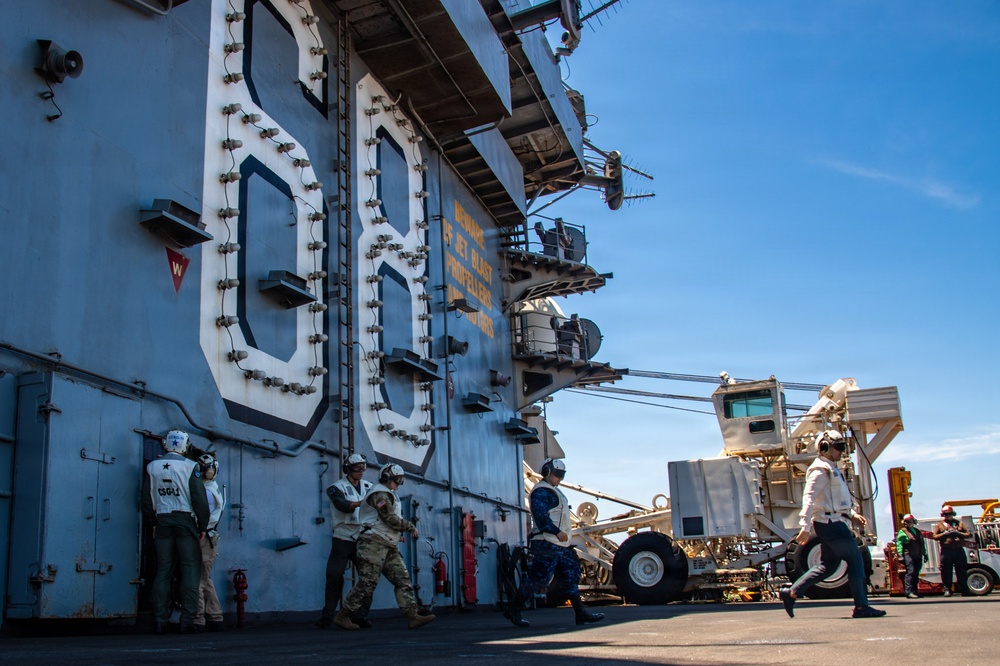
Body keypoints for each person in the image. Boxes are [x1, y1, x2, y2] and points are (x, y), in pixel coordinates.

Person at [779, 430, 885, 619]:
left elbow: (835, 500)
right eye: (839, 447)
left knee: (829, 564)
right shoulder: (819, 470)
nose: (841, 452)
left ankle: (792, 592)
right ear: (825, 447)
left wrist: (852, 514)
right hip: (830, 524)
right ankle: (861, 606)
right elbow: (809, 498)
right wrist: (804, 527)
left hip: (833, 521)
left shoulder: (831, 468)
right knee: (855, 560)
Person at [503, 458, 605, 628]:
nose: (560, 479)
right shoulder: (541, 492)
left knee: (571, 575)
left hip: (560, 544)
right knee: (540, 579)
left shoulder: (553, 491)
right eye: (557, 475)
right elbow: (541, 517)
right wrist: (555, 531)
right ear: (547, 472)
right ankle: (513, 609)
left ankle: (580, 613)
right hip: (547, 542)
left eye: (562, 475)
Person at [333, 463, 435, 630]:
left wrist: (396, 535)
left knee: (402, 579)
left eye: (401, 480)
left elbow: (384, 522)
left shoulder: (388, 493)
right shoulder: (379, 494)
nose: (399, 484)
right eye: (397, 480)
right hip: (372, 544)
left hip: (387, 544)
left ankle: (412, 616)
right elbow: (389, 518)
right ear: (387, 477)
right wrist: (410, 527)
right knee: (367, 583)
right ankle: (342, 616)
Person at [141, 430, 210, 634]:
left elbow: (146, 500)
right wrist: (203, 526)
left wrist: (152, 522)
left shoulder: (152, 467)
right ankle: (186, 620)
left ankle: (160, 620)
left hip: (162, 520)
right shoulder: (191, 467)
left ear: (165, 444)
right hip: (184, 520)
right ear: (185, 445)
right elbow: (199, 500)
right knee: (189, 569)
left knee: (163, 570)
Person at [316, 453, 373, 629]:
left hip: (363, 537)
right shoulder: (335, 488)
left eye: (363, 467)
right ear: (348, 469)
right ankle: (327, 616)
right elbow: (342, 505)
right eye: (357, 468)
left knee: (368, 577)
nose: (361, 471)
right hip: (342, 537)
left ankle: (360, 615)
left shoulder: (370, 487)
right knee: (334, 576)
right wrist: (360, 504)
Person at [193, 453, 226, 631]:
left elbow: (199, 514)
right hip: (210, 537)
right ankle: (215, 615)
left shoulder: (205, 491)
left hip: (204, 537)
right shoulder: (213, 487)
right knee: (206, 579)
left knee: (197, 580)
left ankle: (197, 619)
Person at [933, 505, 971, 596]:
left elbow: (968, 534)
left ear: (953, 514)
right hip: (946, 551)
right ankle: (947, 589)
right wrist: (944, 534)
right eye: (946, 514)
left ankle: (964, 589)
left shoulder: (959, 523)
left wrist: (958, 533)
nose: (948, 516)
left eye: (949, 514)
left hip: (958, 550)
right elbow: (934, 536)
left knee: (961, 570)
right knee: (946, 570)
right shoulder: (940, 525)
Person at [896, 513, 927, 599]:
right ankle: (909, 592)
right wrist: (900, 555)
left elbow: (922, 544)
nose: (909, 523)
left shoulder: (917, 531)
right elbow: (899, 544)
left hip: (918, 555)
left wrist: (925, 553)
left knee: (916, 573)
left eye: (910, 521)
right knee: (911, 572)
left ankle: (915, 591)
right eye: (907, 521)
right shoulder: (902, 531)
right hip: (909, 555)